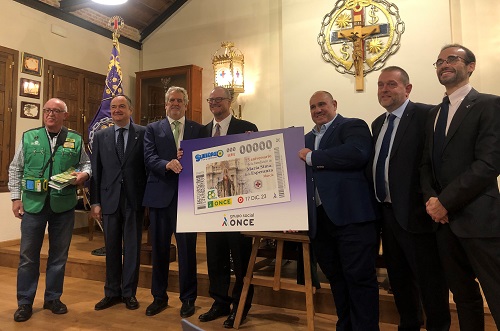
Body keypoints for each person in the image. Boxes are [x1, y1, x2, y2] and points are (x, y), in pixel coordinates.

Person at [420, 44, 500, 330]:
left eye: (452, 58)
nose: (444, 64)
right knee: (463, 297)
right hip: (443, 223)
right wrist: (432, 200)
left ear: (471, 66)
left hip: (479, 218)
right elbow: (426, 165)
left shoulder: (490, 104)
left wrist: (446, 201)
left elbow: (489, 163)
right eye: (439, 61)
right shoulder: (434, 114)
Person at [371, 66, 450, 330]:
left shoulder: (427, 114)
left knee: (430, 283)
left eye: (391, 84)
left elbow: (436, 162)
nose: (385, 90)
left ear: (408, 88)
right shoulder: (378, 123)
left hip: (417, 215)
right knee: (399, 280)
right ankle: (409, 325)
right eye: (381, 85)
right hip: (388, 215)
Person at [298, 91, 379, 330]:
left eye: (322, 104)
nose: (317, 110)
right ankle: (344, 326)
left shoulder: (352, 126)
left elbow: (357, 153)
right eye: (312, 107)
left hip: (352, 217)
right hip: (320, 221)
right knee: (336, 279)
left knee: (360, 279)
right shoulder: (304, 140)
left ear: (334, 104)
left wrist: (314, 158)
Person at [8, 98, 91, 322]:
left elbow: (86, 164)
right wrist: (16, 198)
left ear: (65, 115)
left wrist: (85, 174)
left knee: (58, 256)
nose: (50, 114)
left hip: (63, 206)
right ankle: (24, 302)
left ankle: (53, 298)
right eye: (47, 111)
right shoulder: (29, 137)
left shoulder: (75, 138)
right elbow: (16, 168)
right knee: (28, 257)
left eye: (56, 111)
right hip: (34, 206)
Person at [198, 86, 258, 329]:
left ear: (229, 101)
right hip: (212, 207)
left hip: (240, 207)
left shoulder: (247, 128)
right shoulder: (202, 132)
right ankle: (219, 302)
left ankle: (241, 305)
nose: (214, 103)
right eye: (210, 100)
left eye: (219, 99)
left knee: (241, 258)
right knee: (216, 256)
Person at [142, 86, 203, 317]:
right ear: (165, 104)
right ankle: (159, 297)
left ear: (186, 104)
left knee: (187, 251)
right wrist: (166, 164)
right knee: (159, 250)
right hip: (160, 198)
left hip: (188, 199)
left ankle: (188, 299)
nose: (175, 104)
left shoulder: (199, 129)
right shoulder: (152, 129)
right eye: (171, 100)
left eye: (179, 100)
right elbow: (148, 158)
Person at [90, 95, 147, 312]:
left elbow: (147, 165)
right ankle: (111, 292)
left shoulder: (142, 133)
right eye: (113, 107)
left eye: (122, 106)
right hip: (109, 199)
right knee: (111, 247)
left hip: (134, 199)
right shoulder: (101, 136)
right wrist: (95, 202)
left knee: (132, 248)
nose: (117, 110)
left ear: (130, 110)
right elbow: (96, 172)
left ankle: (129, 293)